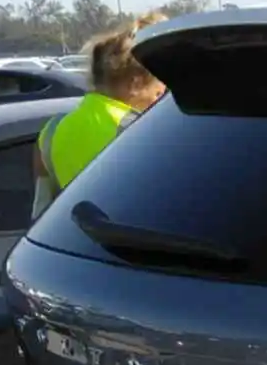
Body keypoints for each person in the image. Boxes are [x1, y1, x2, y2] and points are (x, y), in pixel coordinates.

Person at [31, 12, 167, 218]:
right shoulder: (140, 132)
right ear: (136, 83)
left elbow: (40, 210)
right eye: (159, 86)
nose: (163, 91)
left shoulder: (50, 131)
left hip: (71, 241)